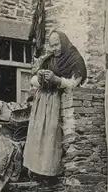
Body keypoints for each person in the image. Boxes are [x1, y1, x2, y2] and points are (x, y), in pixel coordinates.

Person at [23, 30, 87, 181]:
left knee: (52, 135)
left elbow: (73, 83)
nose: (54, 49)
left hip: (56, 101)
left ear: (63, 43)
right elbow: (32, 80)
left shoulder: (74, 58)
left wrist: (56, 79)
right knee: (37, 133)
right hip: (42, 102)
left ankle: (49, 173)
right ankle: (35, 171)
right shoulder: (48, 59)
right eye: (52, 46)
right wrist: (39, 79)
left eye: (57, 45)